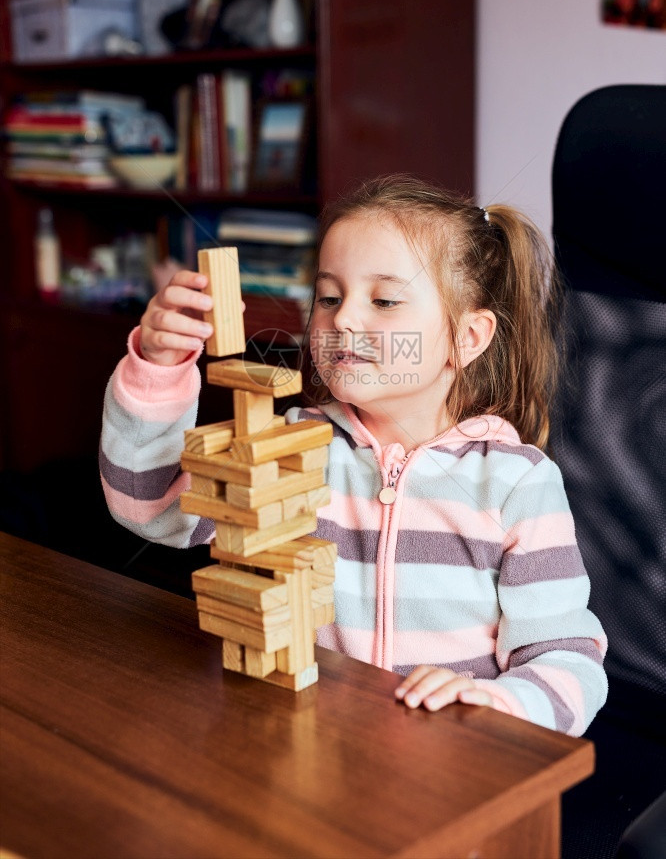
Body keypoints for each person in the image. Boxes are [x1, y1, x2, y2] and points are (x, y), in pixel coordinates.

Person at [100, 173, 608, 735]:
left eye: (384, 300)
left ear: (468, 337)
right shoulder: (292, 449)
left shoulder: (517, 484)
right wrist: (158, 368)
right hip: (309, 750)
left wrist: (501, 707)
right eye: (328, 297)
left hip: (447, 769)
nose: (341, 319)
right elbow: (148, 504)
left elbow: (567, 661)